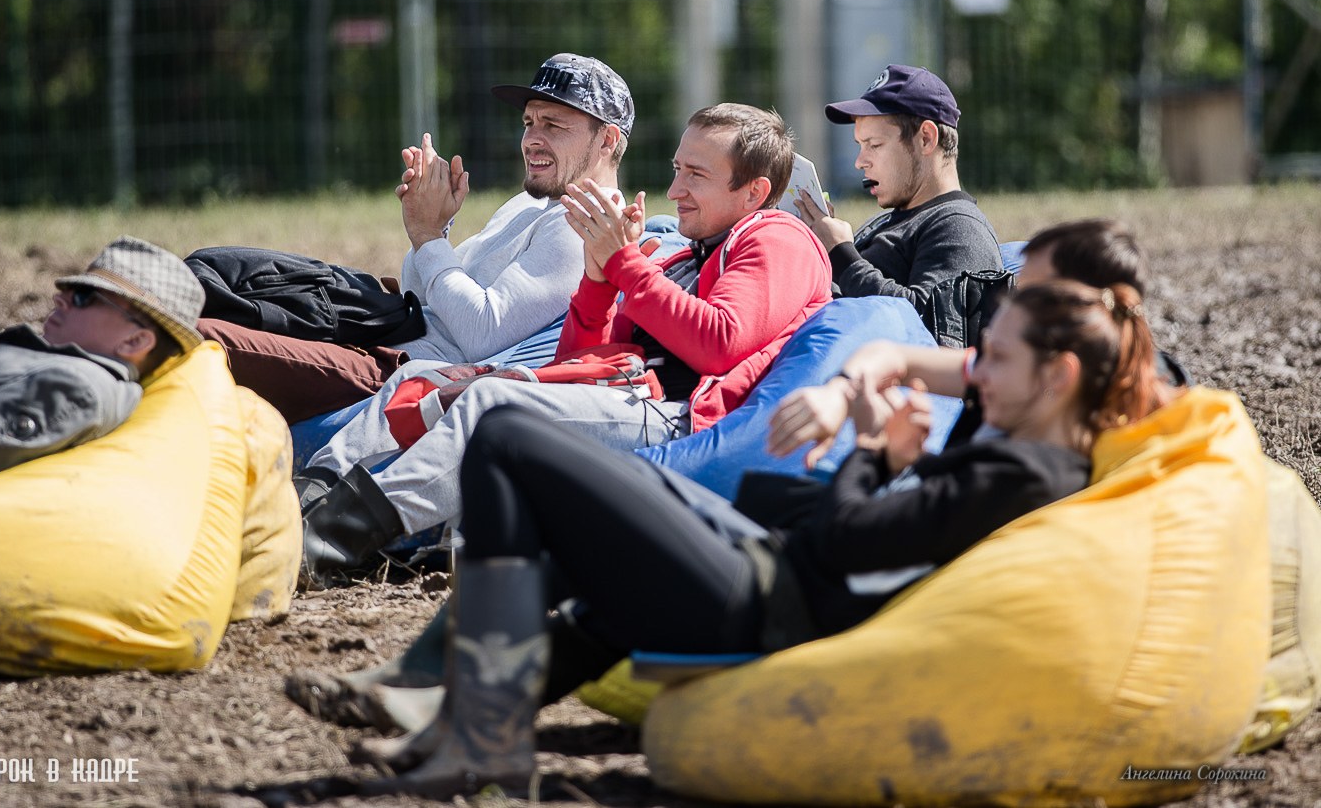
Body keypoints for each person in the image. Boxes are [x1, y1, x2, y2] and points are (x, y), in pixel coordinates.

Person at [292, 277, 1166, 797]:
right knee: (589, 525)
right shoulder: (1029, 445)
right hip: (769, 578)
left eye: (997, 362)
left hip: (767, 606)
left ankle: (476, 731)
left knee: (508, 436)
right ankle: (456, 712)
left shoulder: (1025, 475)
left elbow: (853, 541)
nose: (975, 377)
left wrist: (871, 449)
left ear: (1059, 377)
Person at [291, 103, 833, 588]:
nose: (675, 191)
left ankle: (334, 536)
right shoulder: (688, 254)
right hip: (626, 397)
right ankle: (306, 496)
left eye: (697, 174)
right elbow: (579, 361)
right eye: (676, 169)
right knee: (422, 379)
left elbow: (719, 343)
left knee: (492, 406)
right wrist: (598, 282)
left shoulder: (775, 238)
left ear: (754, 191)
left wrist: (625, 264)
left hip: (678, 415)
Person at [198, 52, 634, 423]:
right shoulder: (532, 205)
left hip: (402, 371)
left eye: (553, 126)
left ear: (606, 139)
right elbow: (419, 292)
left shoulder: (584, 226)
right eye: (528, 122)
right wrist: (434, 227)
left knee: (202, 337)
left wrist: (429, 237)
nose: (531, 140)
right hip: (383, 334)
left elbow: (482, 333)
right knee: (221, 271)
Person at [768, 217, 1188, 461]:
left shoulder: (1037, 455)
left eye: (1031, 291)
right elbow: (895, 356)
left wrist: (874, 453)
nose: (1014, 301)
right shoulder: (1027, 367)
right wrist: (840, 393)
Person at [0, 235, 204, 480]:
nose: (60, 299)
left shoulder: (76, 387)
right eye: (68, 290)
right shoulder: (73, 373)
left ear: (135, 340)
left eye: (83, 296)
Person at [793, 64, 1002, 317]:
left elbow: (932, 326)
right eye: (860, 145)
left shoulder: (960, 227)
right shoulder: (894, 219)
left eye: (875, 145)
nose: (860, 162)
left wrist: (841, 255)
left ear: (926, 138)